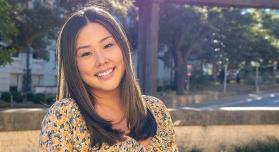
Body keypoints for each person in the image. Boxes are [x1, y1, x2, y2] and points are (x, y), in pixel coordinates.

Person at [39, 6, 178, 151]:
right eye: (86, 53)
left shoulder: (157, 110)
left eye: (108, 45)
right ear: (73, 65)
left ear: (122, 47)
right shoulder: (65, 116)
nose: (101, 60)